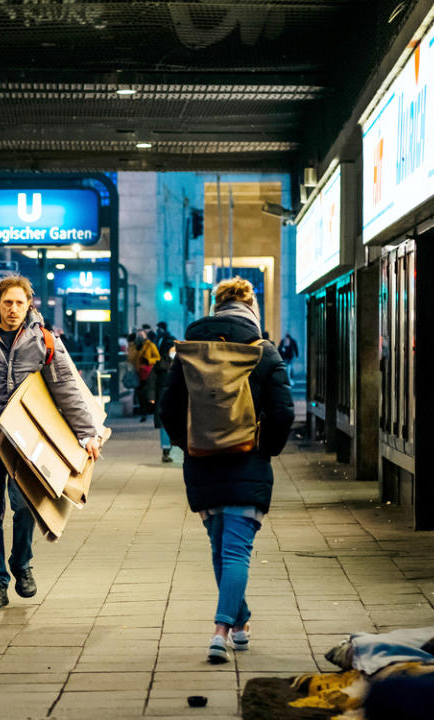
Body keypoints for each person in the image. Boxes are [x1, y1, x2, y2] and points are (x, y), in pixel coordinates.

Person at [160, 276, 294, 664]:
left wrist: (190, 445)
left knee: (220, 549)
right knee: (235, 551)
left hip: (202, 463)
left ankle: (241, 621)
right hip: (247, 460)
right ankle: (221, 631)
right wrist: (264, 448)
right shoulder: (263, 351)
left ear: (215, 305)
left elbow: (167, 409)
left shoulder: (189, 350)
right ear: (252, 306)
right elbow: (284, 411)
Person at [0, 275, 101, 609]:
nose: (13, 309)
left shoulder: (44, 340)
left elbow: (66, 389)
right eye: (7, 302)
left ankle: (22, 562)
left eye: (20, 303)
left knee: (24, 507)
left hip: (26, 444)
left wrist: (86, 432)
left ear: (29, 304)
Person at [153, 328, 177, 462]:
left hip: (177, 401)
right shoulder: (160, 365)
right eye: (172, 349)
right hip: (163, 400)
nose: (174, 352)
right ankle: (166, 451)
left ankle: (173, 447)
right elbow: (152, 382)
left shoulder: (181, 364)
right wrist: (151, 397)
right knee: (164, 426)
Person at [128, 330, 160, 422]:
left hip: (148, 373)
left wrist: (148, 360)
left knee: (146, 393)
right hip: (138, 373)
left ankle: (146, 411)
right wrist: (133, 348)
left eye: (141, 335)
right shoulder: (135, 346)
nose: (140, 337)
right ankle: (144, 411)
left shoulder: (150, 346)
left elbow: (157, 358)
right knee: (140, 394)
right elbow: (130, 358)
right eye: (138, 335)